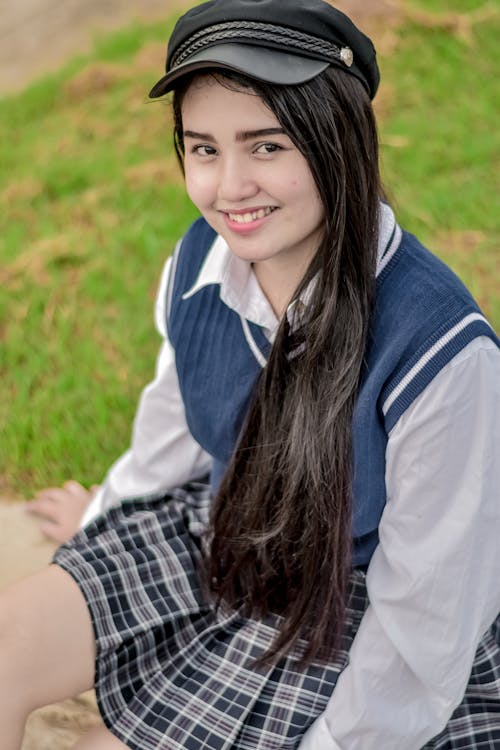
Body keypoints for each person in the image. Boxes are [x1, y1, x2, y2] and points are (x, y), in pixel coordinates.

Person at [3, 0, 500, 748]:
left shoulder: (443, 352)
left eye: (265, 146)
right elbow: (170, 435)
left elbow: (422, 628)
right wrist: (104, 513)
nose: (229, 187)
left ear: (338, 143)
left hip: (359, 602)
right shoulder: (197, 264)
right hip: (232, 537)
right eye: (203, 149)